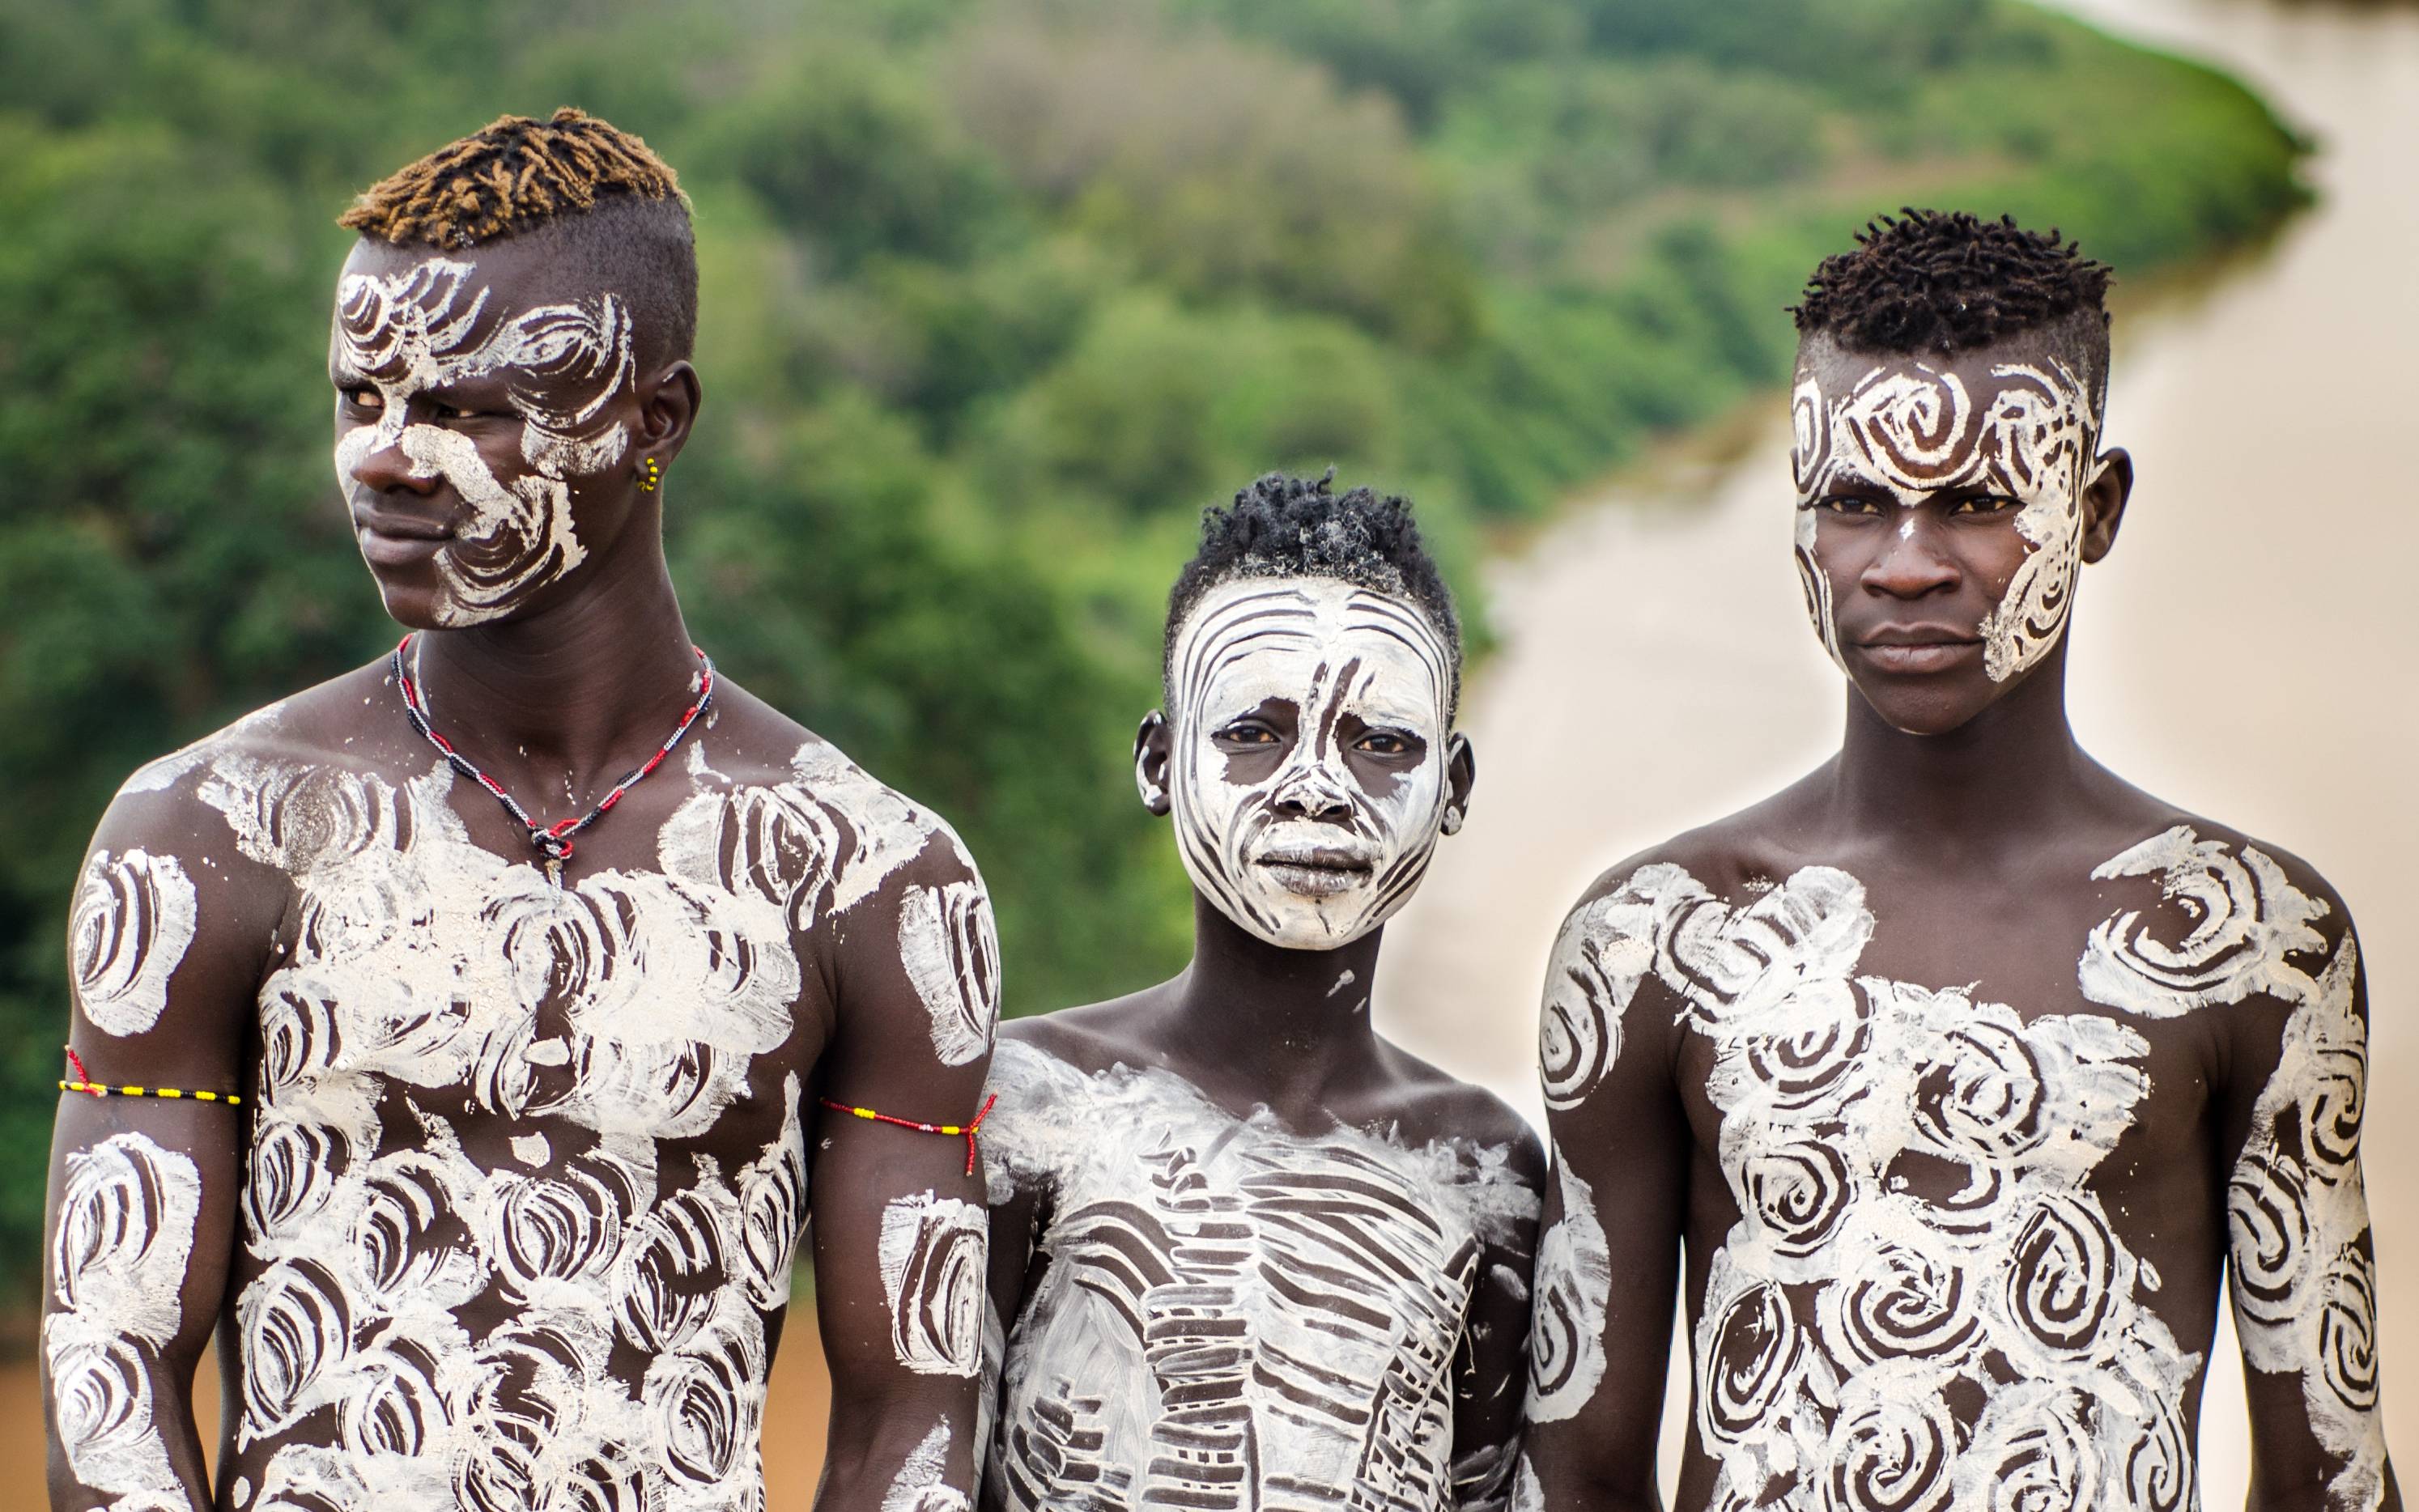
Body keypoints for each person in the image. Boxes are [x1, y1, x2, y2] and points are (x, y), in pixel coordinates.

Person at [42, 109, 998, 1512]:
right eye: (359, 398)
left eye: (467, 409)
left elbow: (907, 1433)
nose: (384, 457)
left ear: (653, 421)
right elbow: (104, 1370)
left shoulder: (870, 879)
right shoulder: (211, 832)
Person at [1520, 210, 2397, 1511]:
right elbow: (1578, 1475)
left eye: (1979, 507)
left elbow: (2331, 1476)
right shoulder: (1659, 941)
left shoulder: (2249, 940)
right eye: (1855, 504)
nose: (1907, 566)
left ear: (2093, 511)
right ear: (1801, 521)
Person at [977, 472, 1544, 1510]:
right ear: (1159, 761)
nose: (1318, 784)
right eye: (1254, 731)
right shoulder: (1031, 1099)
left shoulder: (1487, 1170)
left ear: (1452, 787)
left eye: (1382, 743)